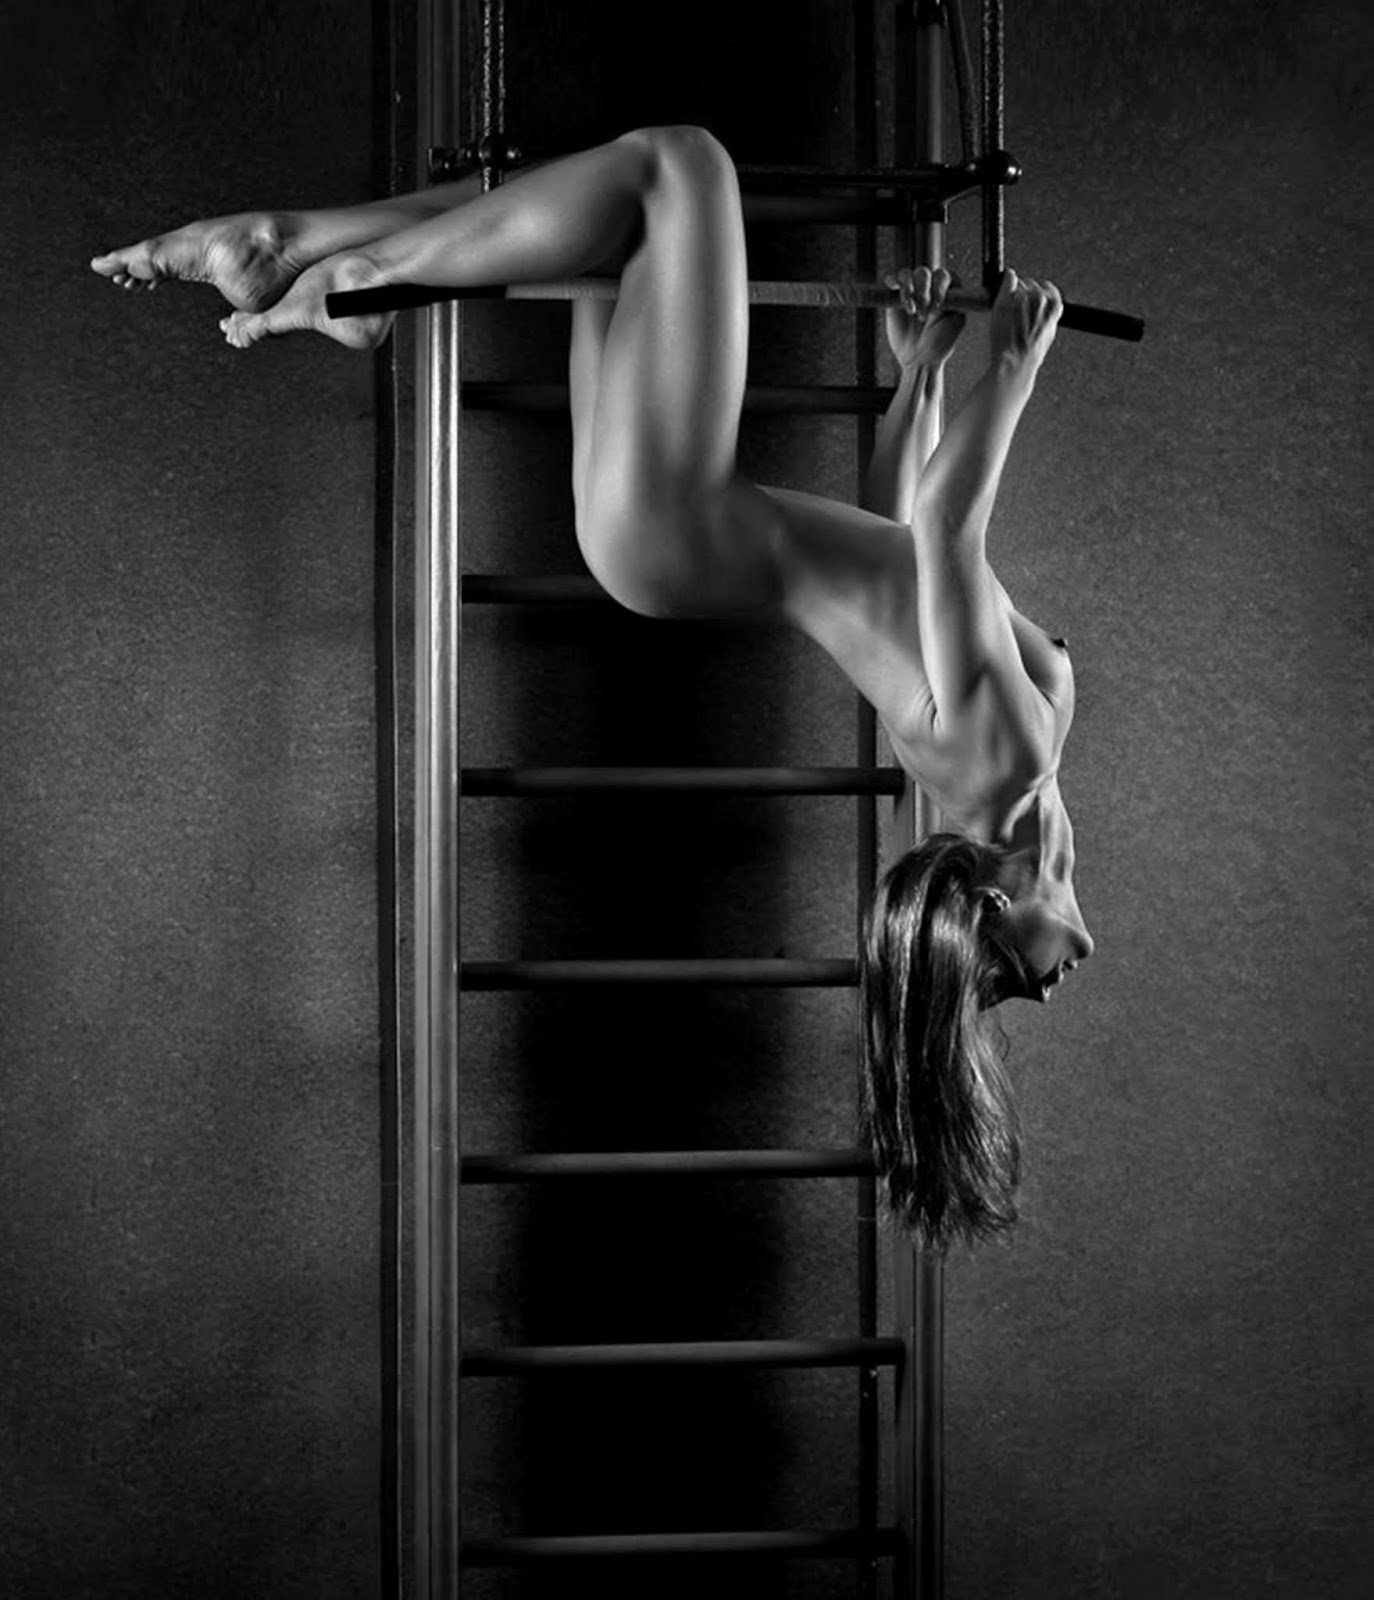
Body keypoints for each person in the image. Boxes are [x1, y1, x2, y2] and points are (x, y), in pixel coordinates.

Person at [92, 125, 1094, 1247]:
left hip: (679, 522)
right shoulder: (1001, 769)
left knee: (683, 167)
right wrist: (922, 375)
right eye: (1014, 989)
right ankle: (294, 247)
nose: (1038, 990)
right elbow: (898, 541)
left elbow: (949, 533)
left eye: (1005, 984)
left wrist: (1014, 366)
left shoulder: (1002, 766)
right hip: (660, 538)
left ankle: (355, 280)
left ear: (995, 907)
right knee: (589, 213)